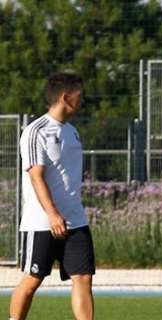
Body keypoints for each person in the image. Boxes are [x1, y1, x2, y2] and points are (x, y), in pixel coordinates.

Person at [10, 72, 95, 320]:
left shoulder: (73, 132)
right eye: (80, 96)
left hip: (75, 220)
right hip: (42, 222)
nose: (82, 101)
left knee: (83, 277)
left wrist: (68, 213)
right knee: (33, 279)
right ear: (66, 97)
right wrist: (53, 214)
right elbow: (36, 176)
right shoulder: (36, 131)